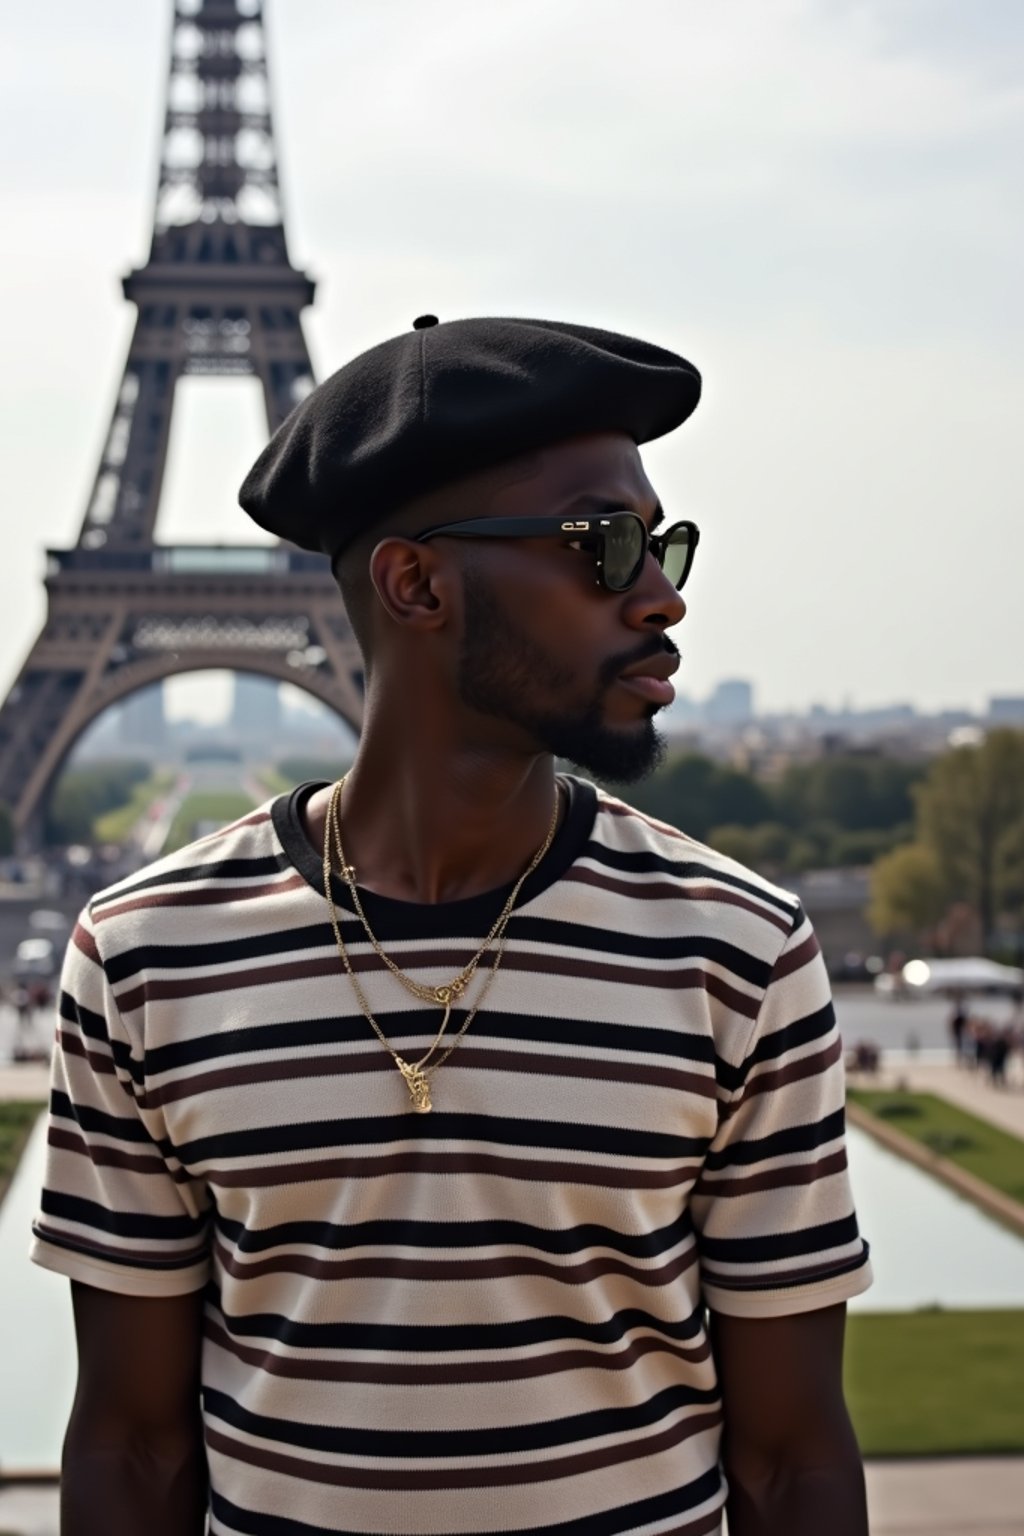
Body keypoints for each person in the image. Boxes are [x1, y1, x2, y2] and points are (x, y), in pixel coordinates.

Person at [32, 316, 872, 1536]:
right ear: (416, 583)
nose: (663, 598)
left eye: (666, 546)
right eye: (607, 546)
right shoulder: (140, 956)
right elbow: (128, 1442)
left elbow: (794, 1459)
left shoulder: (740, 951)